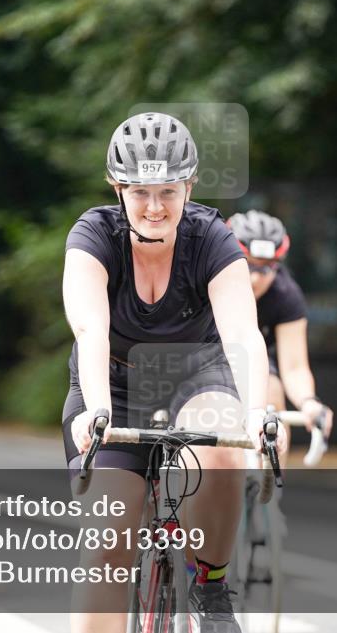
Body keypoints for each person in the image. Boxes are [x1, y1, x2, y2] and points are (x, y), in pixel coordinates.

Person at [63, 112, 287, 633]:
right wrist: (97, 410)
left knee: (225, 445)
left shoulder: (211, 237)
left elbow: (241, 335)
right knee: (106, 549)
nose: (156, 207)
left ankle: (210, 586)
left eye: (168, 191)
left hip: (197, 375)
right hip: (113, 385)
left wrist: (254, 413)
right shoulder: (93, 235)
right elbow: (90, 332)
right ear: (116, 187)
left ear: (189, 186)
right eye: (140, 192)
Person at [226, 210, 334, 462]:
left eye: (266, 269)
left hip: (255, 363)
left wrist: (308, 402)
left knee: (270, 387)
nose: (254, 278)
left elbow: (294, 365)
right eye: (247, 263)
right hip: (201, 357)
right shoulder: (206, 279)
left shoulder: (286, 294)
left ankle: (270, 492)